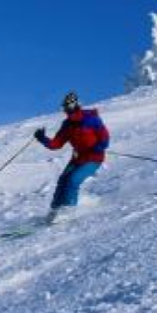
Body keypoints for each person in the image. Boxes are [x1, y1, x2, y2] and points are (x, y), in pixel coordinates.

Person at [34, 92, 109, 221]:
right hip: (78, 158)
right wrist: (42, 138)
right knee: (63, 181)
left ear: (76, 105)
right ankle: (54, 211)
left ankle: (68, 210)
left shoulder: (90, 119)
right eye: (64, 107)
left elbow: (104, 138)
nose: (66, 110)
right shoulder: (67, 124)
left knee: (73, 180)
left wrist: (98, 147)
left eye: (68, 106)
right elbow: (56, 144)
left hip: (93, 158)